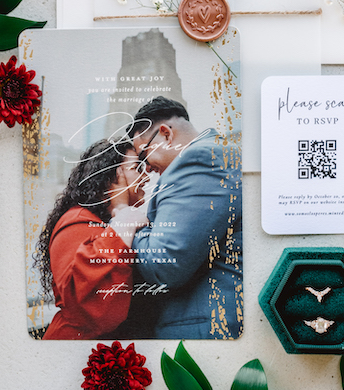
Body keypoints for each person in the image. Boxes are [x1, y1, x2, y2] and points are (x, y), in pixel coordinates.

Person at [125, 97, 243, 339]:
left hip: (205, 329)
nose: (146, 169)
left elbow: (164, 265)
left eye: (144, 156)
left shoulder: (200, 160)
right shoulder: (213, 156)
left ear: (166, 134)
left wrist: (128, 222)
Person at [36, 139, 148, 340]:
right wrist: (123, 217)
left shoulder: (105, 223)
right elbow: (88, 306)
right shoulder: (77, 221)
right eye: (137, 168)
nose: (146, 176)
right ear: (111, 176)